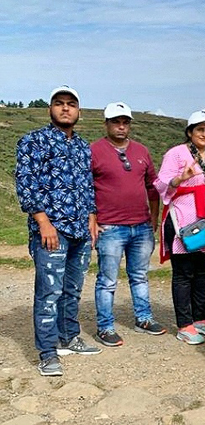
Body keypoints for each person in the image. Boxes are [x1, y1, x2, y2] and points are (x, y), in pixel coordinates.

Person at [15, 85, 102, 376]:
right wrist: (43, 222)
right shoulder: (33, 141)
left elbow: (87, 185)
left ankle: (69, 337)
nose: (65, 108)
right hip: (51, 230)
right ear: (50, 109)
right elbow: (26, 185)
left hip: (80, 229)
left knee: (72, 289)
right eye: (59, 103)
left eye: (71, 104)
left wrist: (92, 216)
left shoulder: (82, 146)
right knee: (49, 292)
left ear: (78, 111)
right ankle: (48, 352)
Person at [91, 102, 166, 347]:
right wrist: (92, 219)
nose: (121, 126)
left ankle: (143, 318)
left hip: (141, 226)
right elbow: (85, 190)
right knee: (107, 280)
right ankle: (105, 326)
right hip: (110, 227)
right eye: (116, 121)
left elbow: (153, 187)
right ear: (107, 124)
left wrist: (153, 217)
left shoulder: (142, 151)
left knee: (140, 276)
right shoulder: (94, 150)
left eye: (125, 122)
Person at [155, 109, 205, 345]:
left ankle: (200, 317)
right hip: (183, 218)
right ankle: (184, 323)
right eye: (200, 129)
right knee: (184, 272)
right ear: (190, 131)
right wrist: (180, 179)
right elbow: (161, 183)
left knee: (201, 272)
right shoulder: (176, 154)